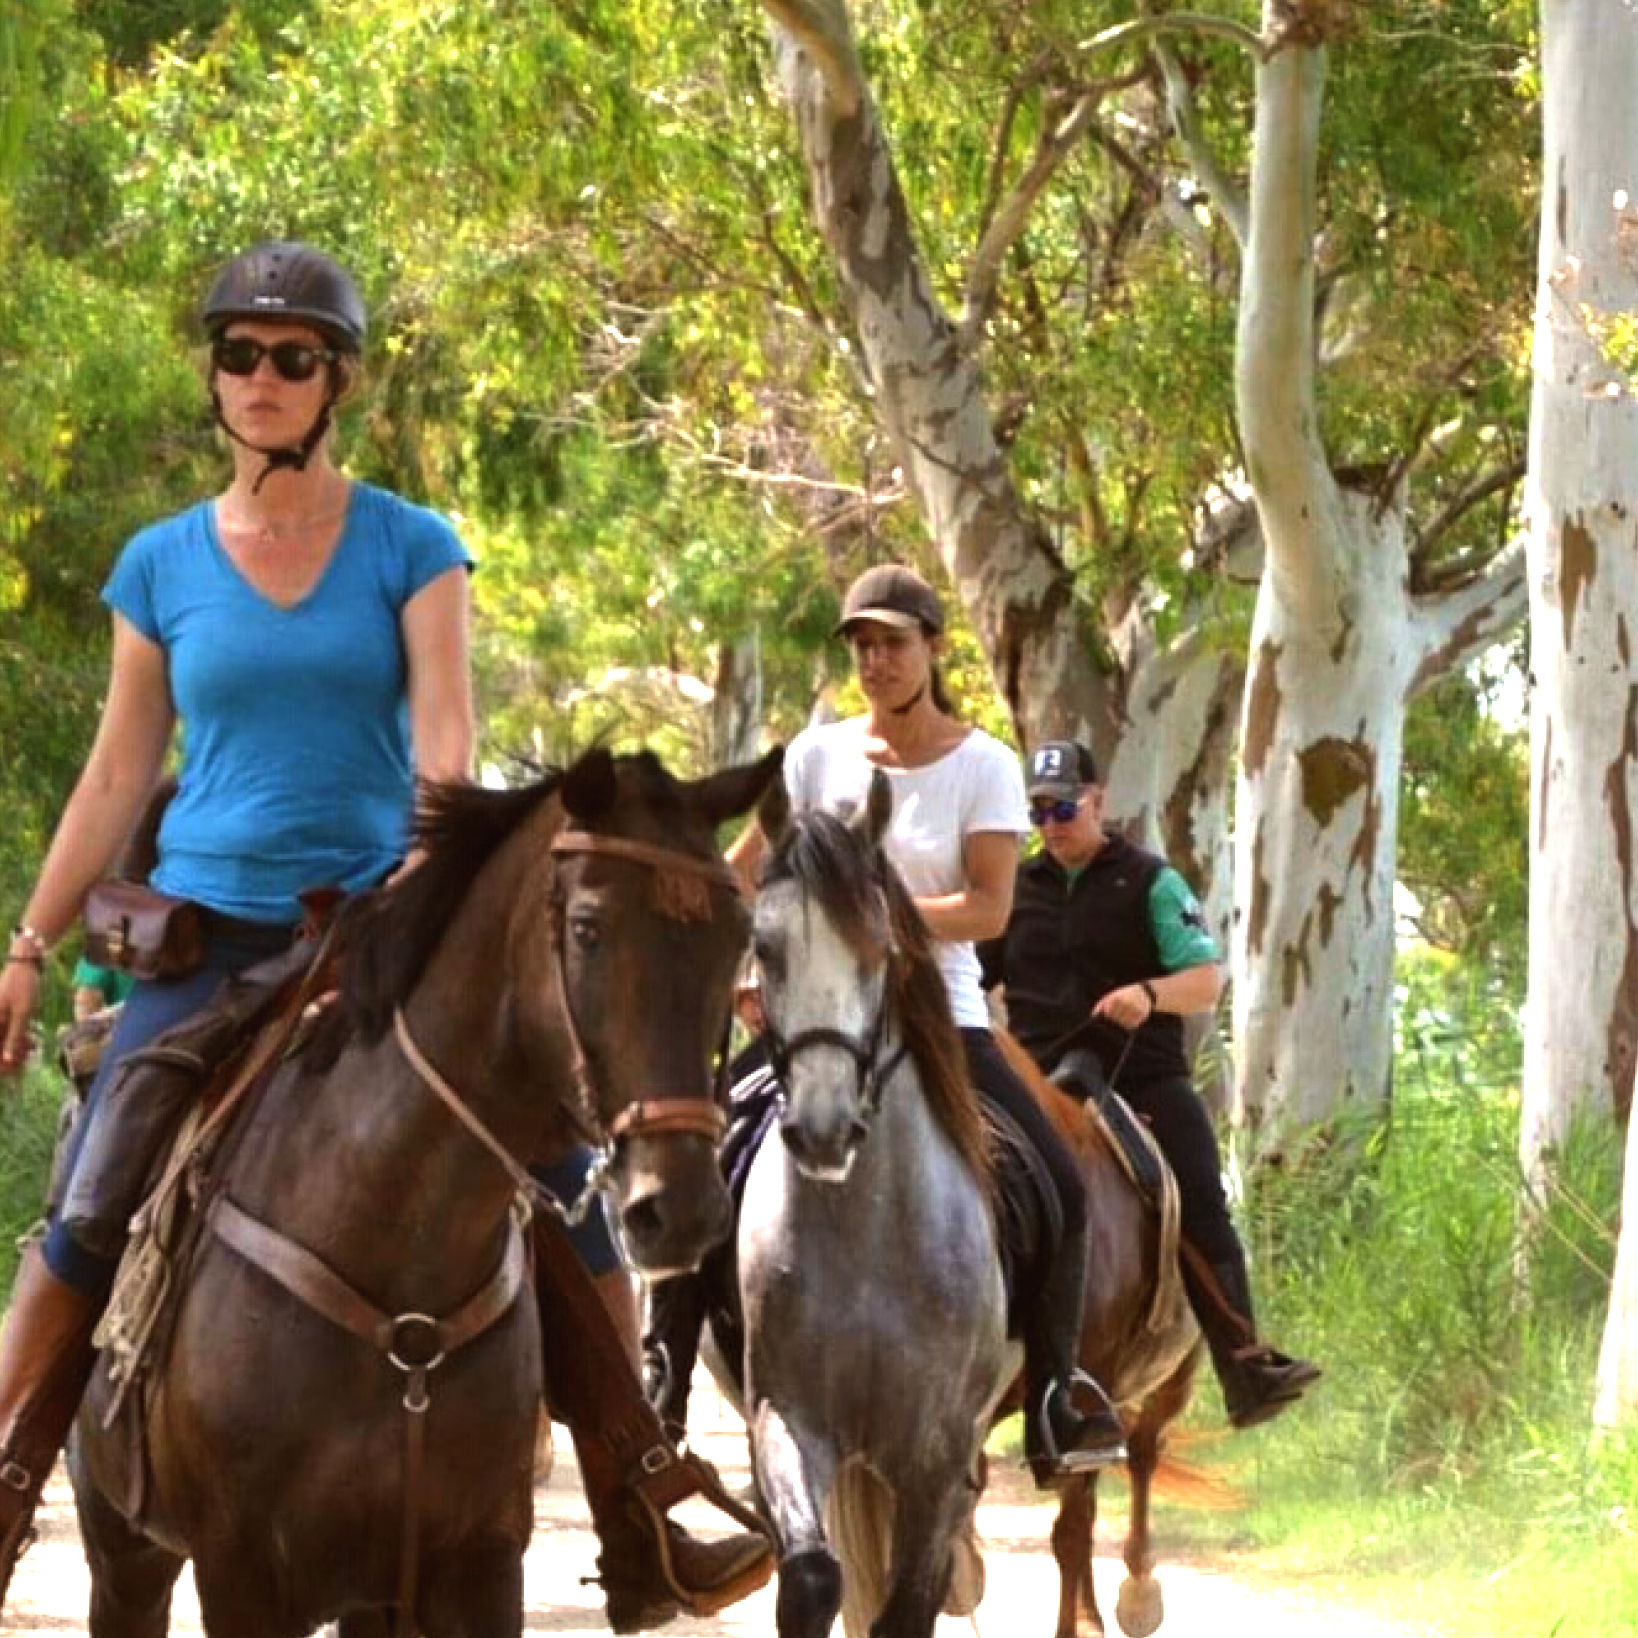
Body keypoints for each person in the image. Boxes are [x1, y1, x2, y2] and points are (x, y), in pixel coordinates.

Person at [0, 240, 768, 1625]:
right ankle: (5, 1475)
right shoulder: (160, 564)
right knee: (99, 1184)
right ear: (215, 377)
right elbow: (118, 772)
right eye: (240, 353)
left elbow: (444, 746)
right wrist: (28, 945)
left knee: (562, 1175)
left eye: (293, 357)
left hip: (370, 932)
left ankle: (641, 1498)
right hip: (205, 939)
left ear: (336, 381)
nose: (262, 376)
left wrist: (412, 904)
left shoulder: (412, 544)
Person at [652, 562, 1128, 1483]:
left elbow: (989, 907)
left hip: (942, 1016)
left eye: (893, 644)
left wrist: (874, 918)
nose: (875, 662)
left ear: (933, 648)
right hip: (817, 1013)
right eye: (862, 646)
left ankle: (1053, 1401)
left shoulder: (984, 766)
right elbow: (748, 873)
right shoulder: (814, 757)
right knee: (702, 1152)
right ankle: (663, 1378)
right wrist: (723, 938)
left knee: (1062, 1188)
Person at [978, 740, 1321, 1431]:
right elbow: (969, 978)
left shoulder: (1151, 882)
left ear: (1098, 801)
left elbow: (1206, 980)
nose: (1051, 825)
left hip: (1138, 1078)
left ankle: (1244, 1363)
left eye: (1064, 808)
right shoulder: (1013, 891)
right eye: (1038, 812)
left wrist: (1149, 994)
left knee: (1198, 1196)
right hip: (1041, 1082)